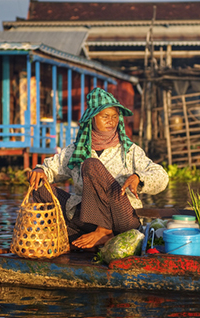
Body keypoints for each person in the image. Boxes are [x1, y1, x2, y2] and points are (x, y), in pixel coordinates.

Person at [27, 87, 169, 250]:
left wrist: (139, 177)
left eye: (115, 116)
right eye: (105, 116)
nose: (112, 121)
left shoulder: (129, 150)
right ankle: (87, 236)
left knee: (91, 164)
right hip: (89, 219)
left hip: (122, 218)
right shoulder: (76, 150)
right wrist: (40, 171)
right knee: (38, 187)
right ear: (93, 119)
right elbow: (51, 168)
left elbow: (161, 176)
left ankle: (105, 232)